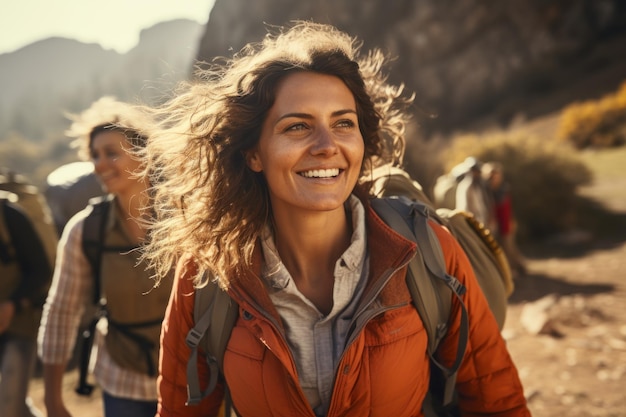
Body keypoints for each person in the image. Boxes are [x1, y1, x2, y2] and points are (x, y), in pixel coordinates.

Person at [141, 21, 530, 417]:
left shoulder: (426, 249)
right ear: (253, 154)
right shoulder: (206, 273)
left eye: (344, 123)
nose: (327, 146)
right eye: (297, 127)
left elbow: (497, 403)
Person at [37, 97, 173, 417]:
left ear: (143, 155)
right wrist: (53, 399)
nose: (99, 164)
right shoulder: (85, 231)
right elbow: (61, 313)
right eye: (95, 156)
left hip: (192, 379)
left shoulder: (185, 219)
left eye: (112, 153)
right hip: (121, 382)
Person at [0, 191, 53, 417]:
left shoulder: (10, 216)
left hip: (20, 326)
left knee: (9, 407)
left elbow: (41, 270)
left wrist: (12, 305)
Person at [482, 161, 527, 276]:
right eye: (491, 175)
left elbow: (507, 208)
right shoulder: (486, 190)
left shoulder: (503, 189)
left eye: (496, 175)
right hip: (495, 224)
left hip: (506, 223)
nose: (494, 178)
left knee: (509, 248)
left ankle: (519, 268)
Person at [455, 156, 496, 231]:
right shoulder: (465, 187)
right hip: (472, 226)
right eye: (474, 171)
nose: (476, 174)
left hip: (484, 223)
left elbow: (486, 203)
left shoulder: (480, 185)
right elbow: (464, 209)